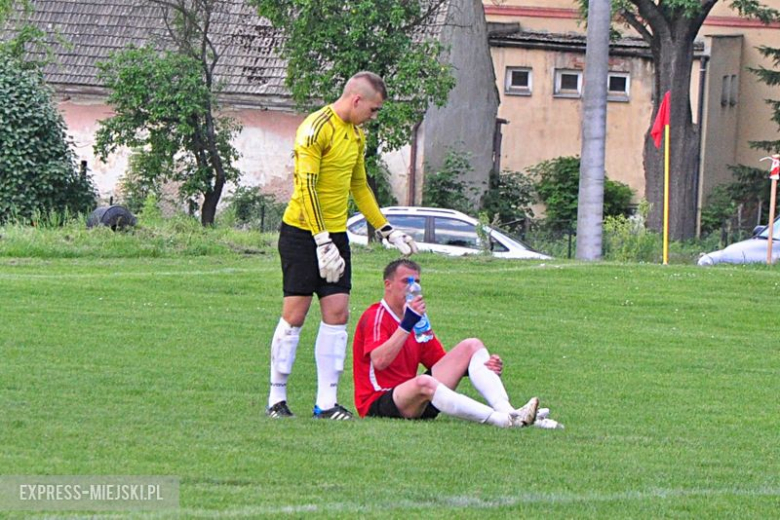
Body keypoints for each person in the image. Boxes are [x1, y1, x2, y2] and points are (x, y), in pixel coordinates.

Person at [266, 71, 418, 420]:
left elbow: (359, 186)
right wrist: (320, 240)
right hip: (303, 234)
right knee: (295, 316)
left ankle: (326, 403)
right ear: (356, 100)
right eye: (374, 109)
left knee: (337, 315)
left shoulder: (356, 136)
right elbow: (306, 188)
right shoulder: (315, 129)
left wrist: (386, 230)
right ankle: (276, 399)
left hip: (334, 235)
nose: (374, 116)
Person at [352, 259, 542, 428]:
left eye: (416, 282)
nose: (412, 288)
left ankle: (510, 411)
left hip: (416, 401)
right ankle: (502, 421)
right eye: (405, 282)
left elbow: (440, 362)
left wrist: (480, 366)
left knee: (471, 345)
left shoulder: (418, 320)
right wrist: (407, 324)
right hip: (378, 402)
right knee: (424, 382)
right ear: (388, 285)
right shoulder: (376, 316)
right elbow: (380, 361)